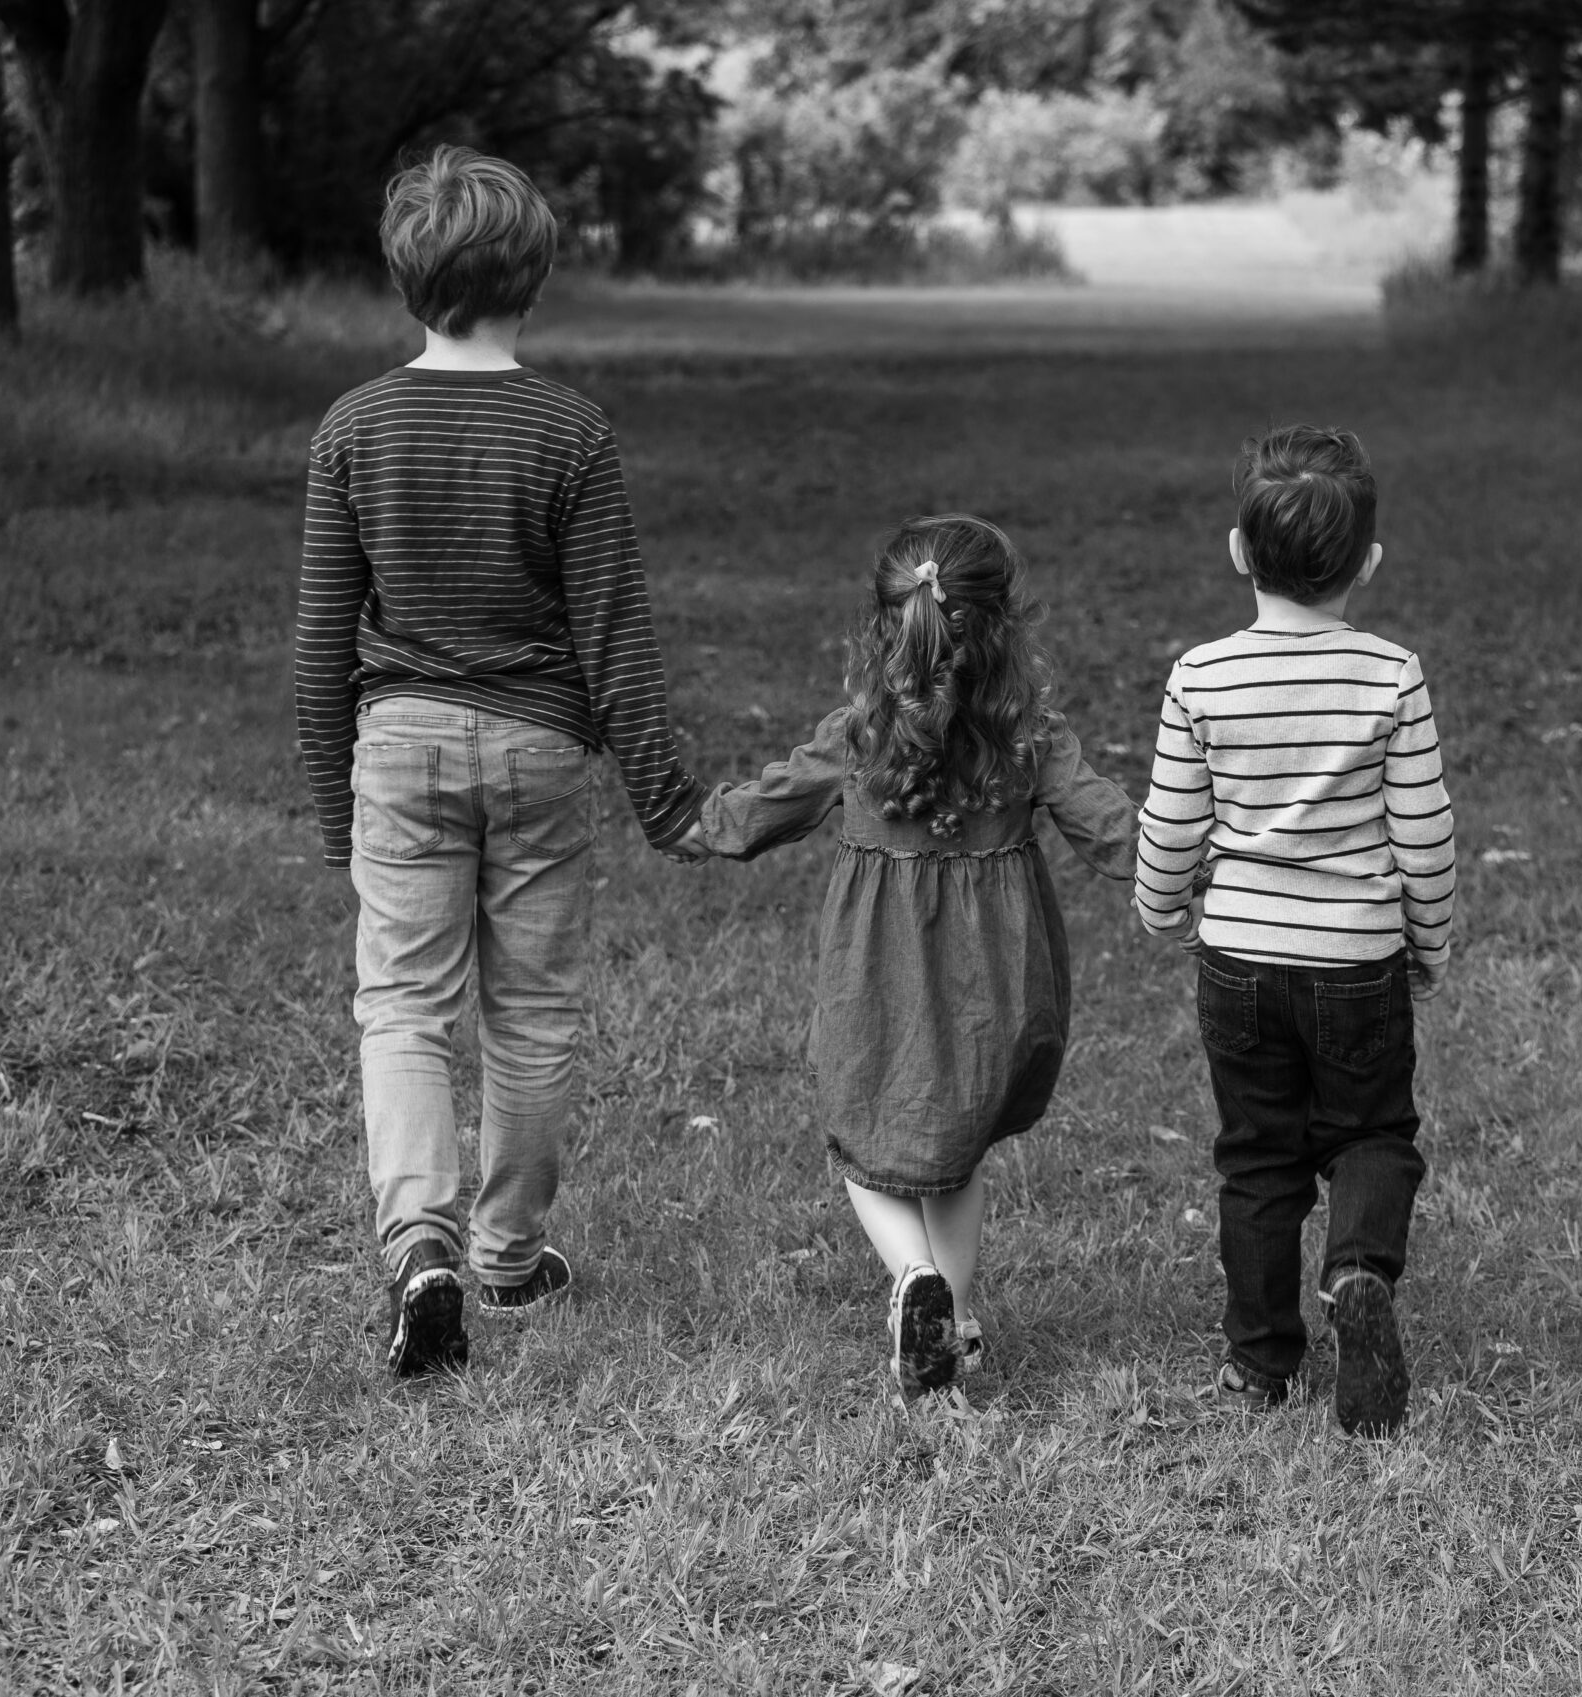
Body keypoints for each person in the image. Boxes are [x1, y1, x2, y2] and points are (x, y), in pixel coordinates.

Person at [294, 145, 705, 1378]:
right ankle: (508, 1255)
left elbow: (322, 642)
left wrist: (334, 807)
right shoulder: (570, 430)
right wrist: (665, 798)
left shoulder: (354, 426)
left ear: (405, 276)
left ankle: (419, 1250)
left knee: (405, 1007)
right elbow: (613, 631)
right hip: (537, 750)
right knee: (531, 1012)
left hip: (400, 748)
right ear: (535, 276)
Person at [692, 514, 1138, 1399]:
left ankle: (913, 1277)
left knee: (863, 1139)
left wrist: (695, 824)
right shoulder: (1029, 735)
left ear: (885, 626)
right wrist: (1196, 865)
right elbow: (1111, 826)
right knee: (958, 1150)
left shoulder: (859, 734)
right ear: (1003, 626)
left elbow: (767, 806)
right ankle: (952, 1323)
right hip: (995, 986)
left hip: (878, 978)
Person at [1135, 425, 1457, 1437]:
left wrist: (1158, 905)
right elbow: (1424, 832)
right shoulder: (1390, 675)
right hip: (1357, 960)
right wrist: (1429, 941)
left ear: (1239, 551)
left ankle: (1260, 1361)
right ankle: (1358, 1270)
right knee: (1371, 1134)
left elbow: (1171, 822)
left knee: (1258, 1158)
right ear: (1369, 563)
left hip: (1238, 958)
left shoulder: (1201, 676)